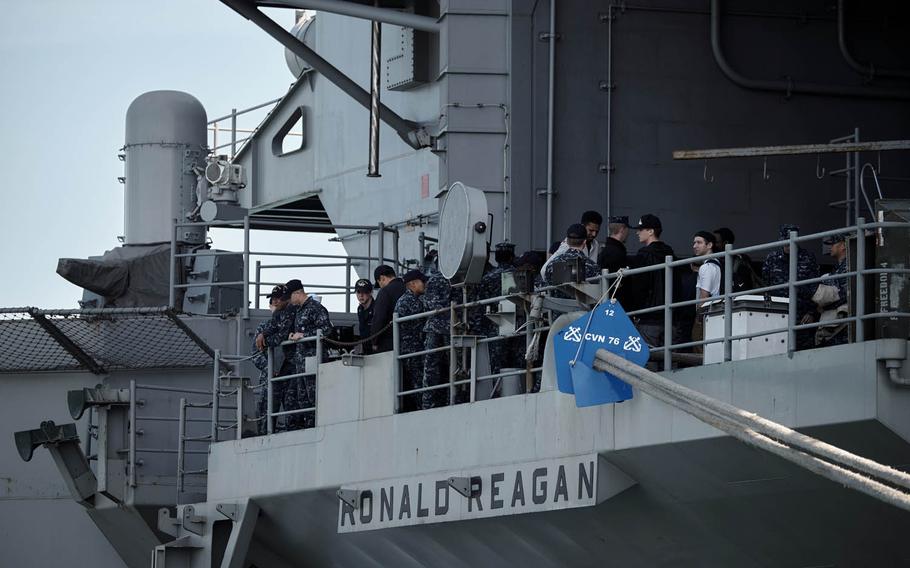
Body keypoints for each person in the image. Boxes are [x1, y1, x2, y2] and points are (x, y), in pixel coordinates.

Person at [762, 224, 819, 351]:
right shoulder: (772, 258)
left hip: (802, 314)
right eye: (786, 243)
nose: (788, 246)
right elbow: (766, 286)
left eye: (791, 242)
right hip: (777, 312)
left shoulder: (808, 258)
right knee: (776, 347)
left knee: (803, 350)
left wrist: (811, 312)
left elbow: (815, 287)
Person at [253, 283, 300, 433]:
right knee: (265, 416)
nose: (274, 302)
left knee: (292, 413)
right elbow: (255, 353)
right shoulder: (264, 328)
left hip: (289, 376)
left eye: (277, 298)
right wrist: (270, 368)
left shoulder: (293, 322)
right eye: (272, 299)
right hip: (270, 380)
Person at [626, 214, 675, 350]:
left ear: (651, 231)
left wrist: (636, 311)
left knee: (649, 362)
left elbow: (638, 288)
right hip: (670, 317)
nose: (637, 232)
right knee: (671, 362)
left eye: (641, 229)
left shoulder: (643, 255)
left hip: (648, 318)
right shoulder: (671, 253)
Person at [288, 280, 333, 428]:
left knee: (314, 394)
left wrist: (304, 335)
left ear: (298, 293)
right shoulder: (299, 310)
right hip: (302, 361)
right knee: (303, 396)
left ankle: (317, 424)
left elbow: (326, 329)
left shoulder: (315, 308)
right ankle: (309, 425)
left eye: (290, 296)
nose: (289, 300)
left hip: (313, 357)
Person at [422, 259, 453, 409]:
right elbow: (433, 304)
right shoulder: (445, 279)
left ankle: (433, 403)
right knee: (439, 368)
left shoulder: (437, 280)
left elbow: (429, 304)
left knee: (437, 369)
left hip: (441, 328)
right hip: (443, 328)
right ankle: (436, 402)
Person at [395, 270, 428, 412]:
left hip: (415, 348)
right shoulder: (408, 301)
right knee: (418, 381)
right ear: (413, 284)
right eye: (422, 282)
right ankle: (421, 408)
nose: (425, 284)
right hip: (412, 349)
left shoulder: (413, 299)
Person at [812, 233, 849, 346]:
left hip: (841, 326)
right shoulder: (838, 268)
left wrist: (824, 304)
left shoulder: (850, 266)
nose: (830, 247)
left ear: (843, 246)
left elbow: (844, 295)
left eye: (833, 244)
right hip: (832, 324)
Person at [540, 210, 603, 276]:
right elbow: (544, 270)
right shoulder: (567, 245)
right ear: (582, 226)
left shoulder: (595, 244)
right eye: (591, 230)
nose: (594, 234)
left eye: (597, 231)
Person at [691, 231, 720, 353]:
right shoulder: (716, 263)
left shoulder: (706, 267)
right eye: (694, 243)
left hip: (705, 314)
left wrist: (699, 318)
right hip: (714, 312)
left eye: (699, 242)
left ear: (709, 245)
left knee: (699, 347)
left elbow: (704, 295)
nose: (694, 246)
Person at [713, 227, 762, 292]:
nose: (713, 245)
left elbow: (745, 286)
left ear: (726, 243)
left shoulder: (740, 261)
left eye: (716, 242)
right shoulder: (712, 259)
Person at [370, 265, 406, 353]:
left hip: (390, 343)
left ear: (382, 278)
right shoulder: (407, 287)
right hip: (411, 341)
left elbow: (379, 318)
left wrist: (374, 340)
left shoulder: (385, 291)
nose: (380, 286)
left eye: (379, 283)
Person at [354, 278, 375, 355]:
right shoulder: (360, 309)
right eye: (358, 292)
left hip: (377, 349)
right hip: (366, 348)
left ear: (371, 292)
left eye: (365, 292)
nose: (361, 295)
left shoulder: (377, 308)